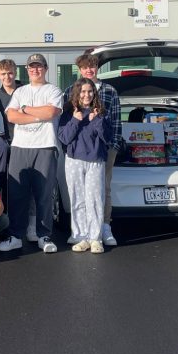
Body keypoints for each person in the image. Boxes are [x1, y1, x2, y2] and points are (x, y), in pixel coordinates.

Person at [0, 53, 64, 254]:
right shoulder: (20, 92)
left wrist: (26, 111)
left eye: (39, 66)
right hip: (20, 147)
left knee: (44, 194)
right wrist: (37, 116)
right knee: (17, 194)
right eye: (32, 67)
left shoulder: (53, 90)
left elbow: (51, 113)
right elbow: (12, 116)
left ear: (45, 68)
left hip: (45, 146)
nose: (35, 70)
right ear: (27, 70)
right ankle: (16, 236)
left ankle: (44, 235)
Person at [70, 52, 122, 247]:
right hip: (80, 151)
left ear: (97, 67)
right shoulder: (72, 90)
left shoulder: (109, 90)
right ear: (80, 69)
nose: (88, 70)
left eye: (91, 66)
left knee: (103, 189)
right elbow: (69, 120)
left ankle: (105, 227)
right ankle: (83, 232)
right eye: (84, 67)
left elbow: (116, 120)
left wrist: (113, 145)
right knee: (81, 192)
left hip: (104, 148)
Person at [57, 79, 112, 254]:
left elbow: (108, 138)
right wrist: (75, 120)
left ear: (94, 93)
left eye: (90, 91)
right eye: (83, 91)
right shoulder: (68, 112)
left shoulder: (100, 112)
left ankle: (95, 239)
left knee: (95, 200)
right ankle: (81, 236)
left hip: (95, 161)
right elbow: (64, 138)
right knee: (77, 199)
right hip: (74, 161)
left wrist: (96, 121)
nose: (86, 95)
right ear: (77, 93)